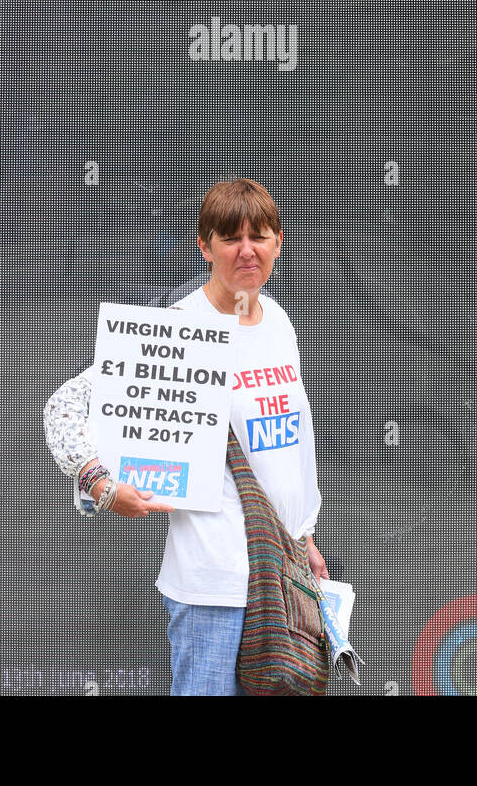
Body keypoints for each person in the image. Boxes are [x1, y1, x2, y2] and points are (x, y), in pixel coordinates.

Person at [43, 176, 328, 696]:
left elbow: (288, 448)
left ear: (278, 243)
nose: (248, 251)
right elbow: (64, 408)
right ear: (204, 246)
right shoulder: (177, 326)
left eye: (260, 236)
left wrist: (305, 539)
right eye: (231, 238)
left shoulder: (278, 322)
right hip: (213, 584)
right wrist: (103, 486)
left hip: (282, 578)